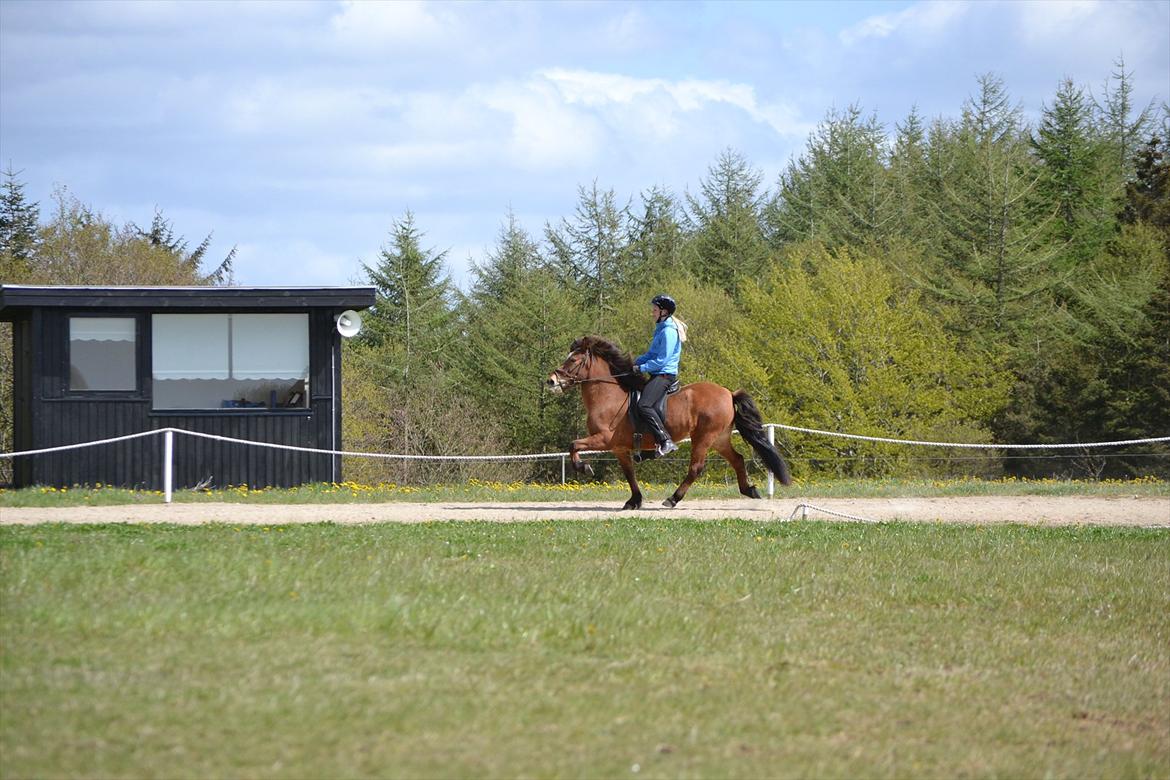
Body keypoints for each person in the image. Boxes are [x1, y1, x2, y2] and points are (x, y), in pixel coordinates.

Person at [633, 294, 683, 456]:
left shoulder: (668, 332)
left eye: (655, 310)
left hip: (664, 376)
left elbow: (661, 361)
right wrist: (634, 362)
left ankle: (665, 440)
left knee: (644, 405)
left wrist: (641, 368)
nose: (652, 313)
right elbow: (651, 354)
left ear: (664, 312)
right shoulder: (660, 330)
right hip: (657, 374)